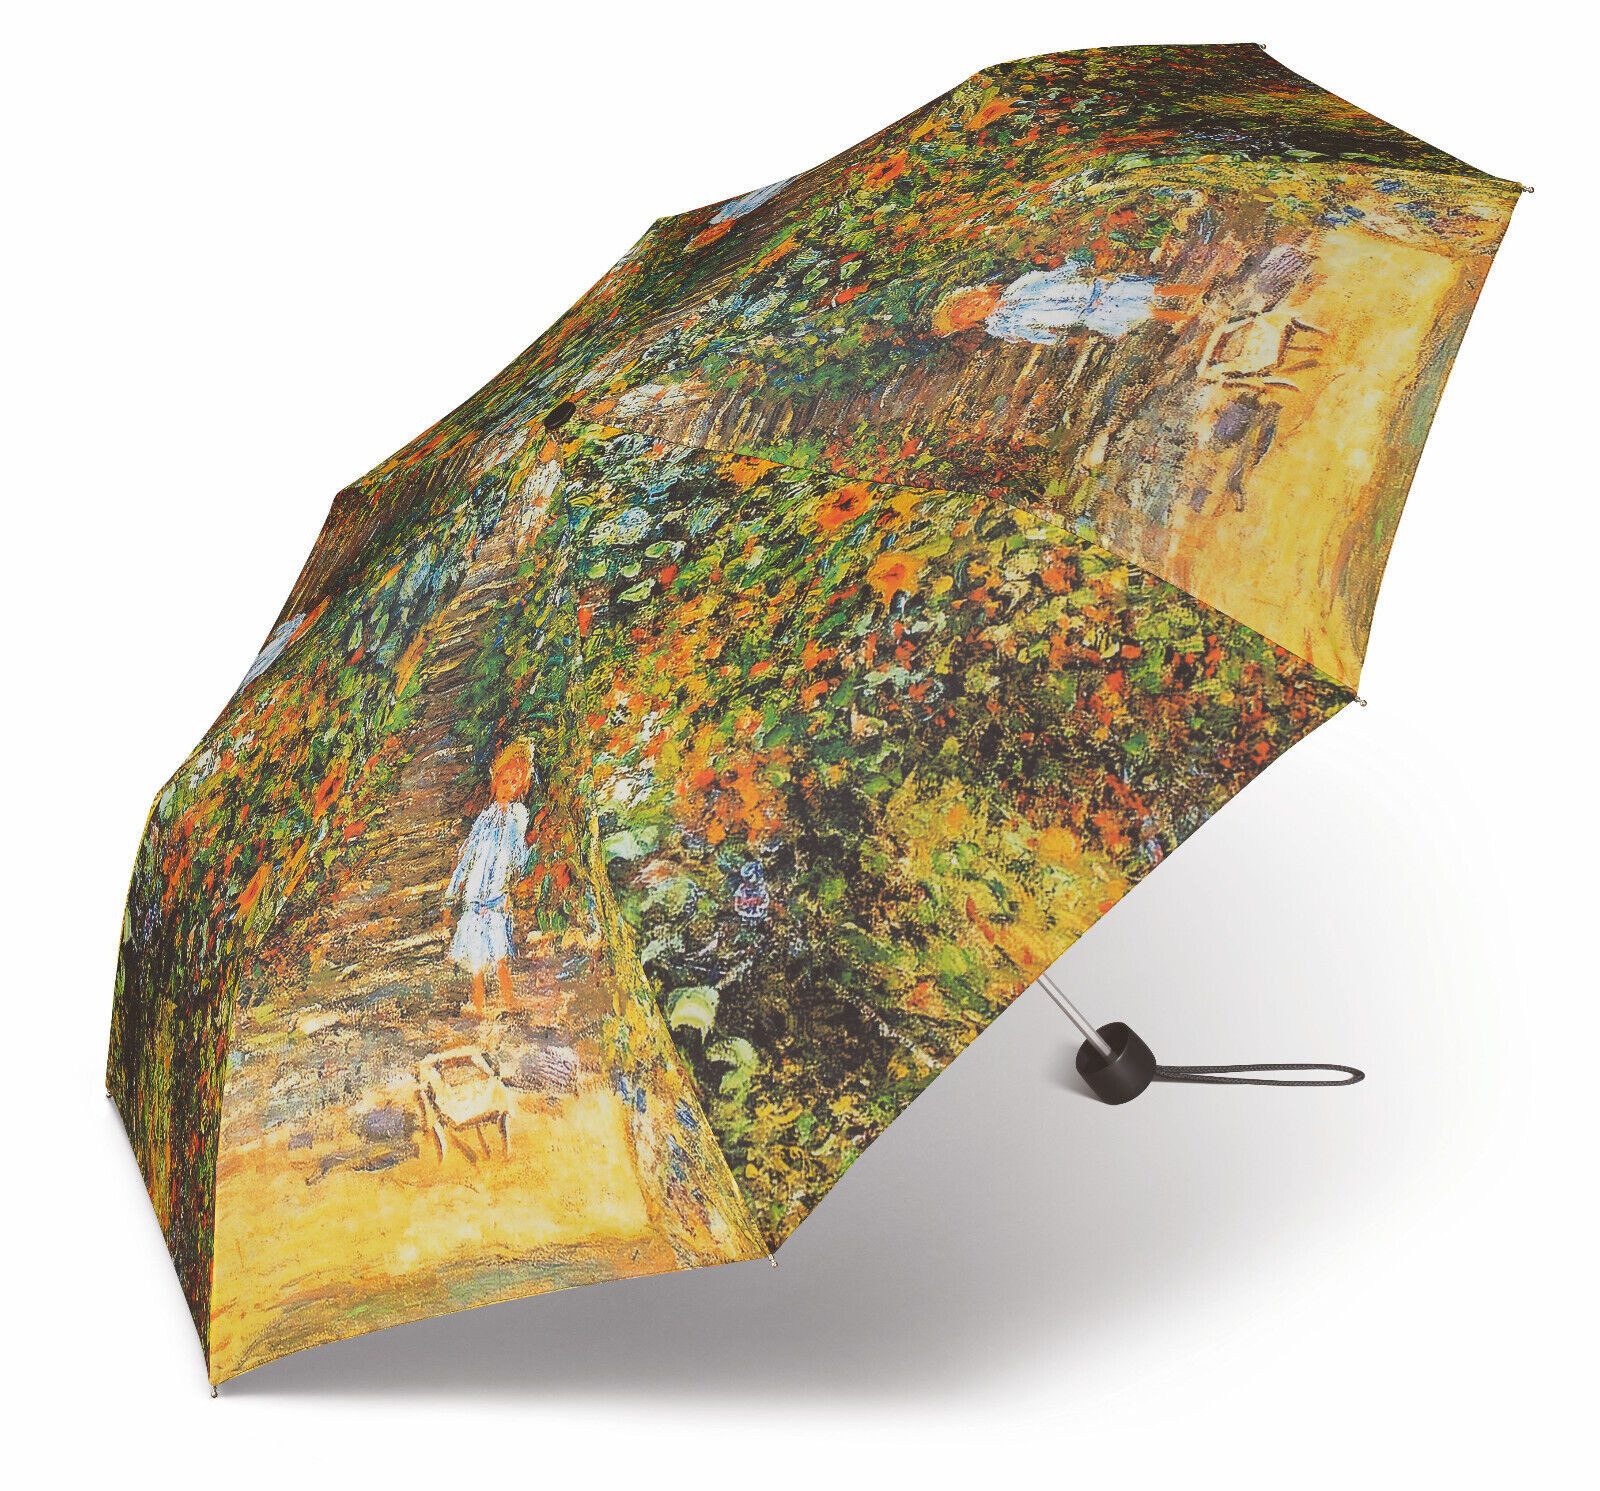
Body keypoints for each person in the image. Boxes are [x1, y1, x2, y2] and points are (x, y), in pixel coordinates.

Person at [442, 741, 534, 1018]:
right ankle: (479, 1006)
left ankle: (509, 1003)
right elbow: (466, 857)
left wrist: (525, 852)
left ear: (521, 786)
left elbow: (518, 857)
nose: (508, 788)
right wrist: (451, 895)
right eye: (505, 781)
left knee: (500, 954)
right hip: (474, 898)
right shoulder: (484, 819)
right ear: (495, 779)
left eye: (515, 783)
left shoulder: (518, 816)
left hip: (497, 898)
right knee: (477, 960)